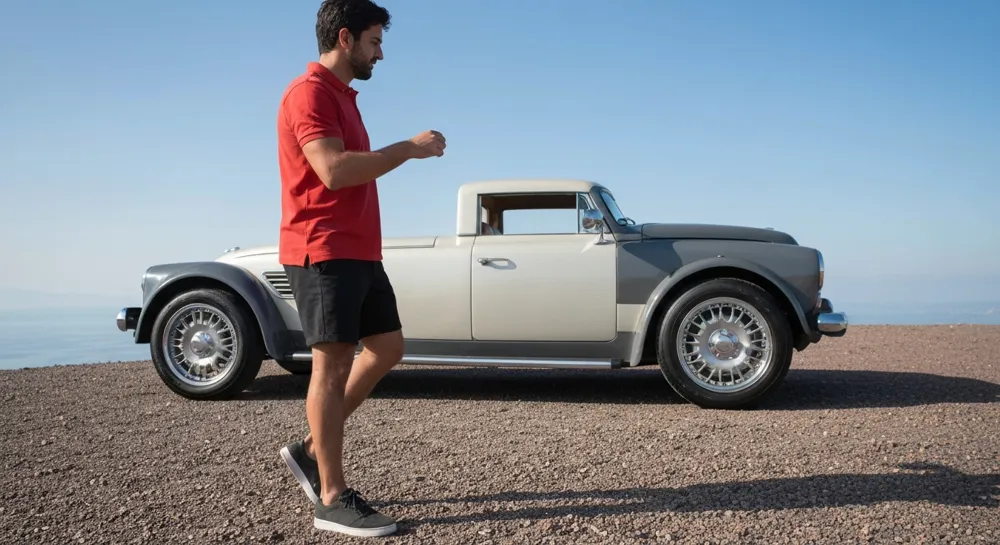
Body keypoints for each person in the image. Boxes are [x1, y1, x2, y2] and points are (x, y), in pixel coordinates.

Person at [274, 0, 446, 537]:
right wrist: (407, 149)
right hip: (322, 249)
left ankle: (310, 450)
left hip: (359, 251)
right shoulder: (310, 93)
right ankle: (330, 497)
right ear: (345, 39)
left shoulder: (344, 97)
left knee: (388, 347)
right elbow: (332, 170)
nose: (381, 53)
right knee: (330, 366)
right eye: (374, 42)